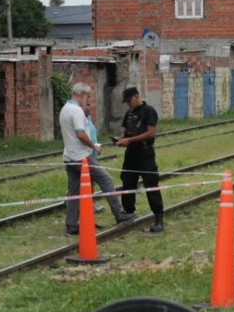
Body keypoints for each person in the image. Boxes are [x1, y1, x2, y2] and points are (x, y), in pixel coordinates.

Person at [60, 83, 137, 236]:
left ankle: (71, 225)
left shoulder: (65, 109)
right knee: (106, 180)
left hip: (69, 156)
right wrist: (94, 147)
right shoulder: (76, 111)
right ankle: (119, 214)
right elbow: (80, 134)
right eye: (87, 96)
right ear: (82, 95)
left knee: (74, 191)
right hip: (81, 156)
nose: (87, 100)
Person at [116, 86, 165, 232]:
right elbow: (127, 132)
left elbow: (150, 134)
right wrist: (121, 140)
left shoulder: (149, 111)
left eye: (129, 101)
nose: (128, 104)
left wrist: (130, 140)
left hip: (145, 154)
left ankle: (158, 218)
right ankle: (129, 213)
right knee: (127, 183)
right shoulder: (129, 113)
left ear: (137, 97)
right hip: (131, 155)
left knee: (151, 185)